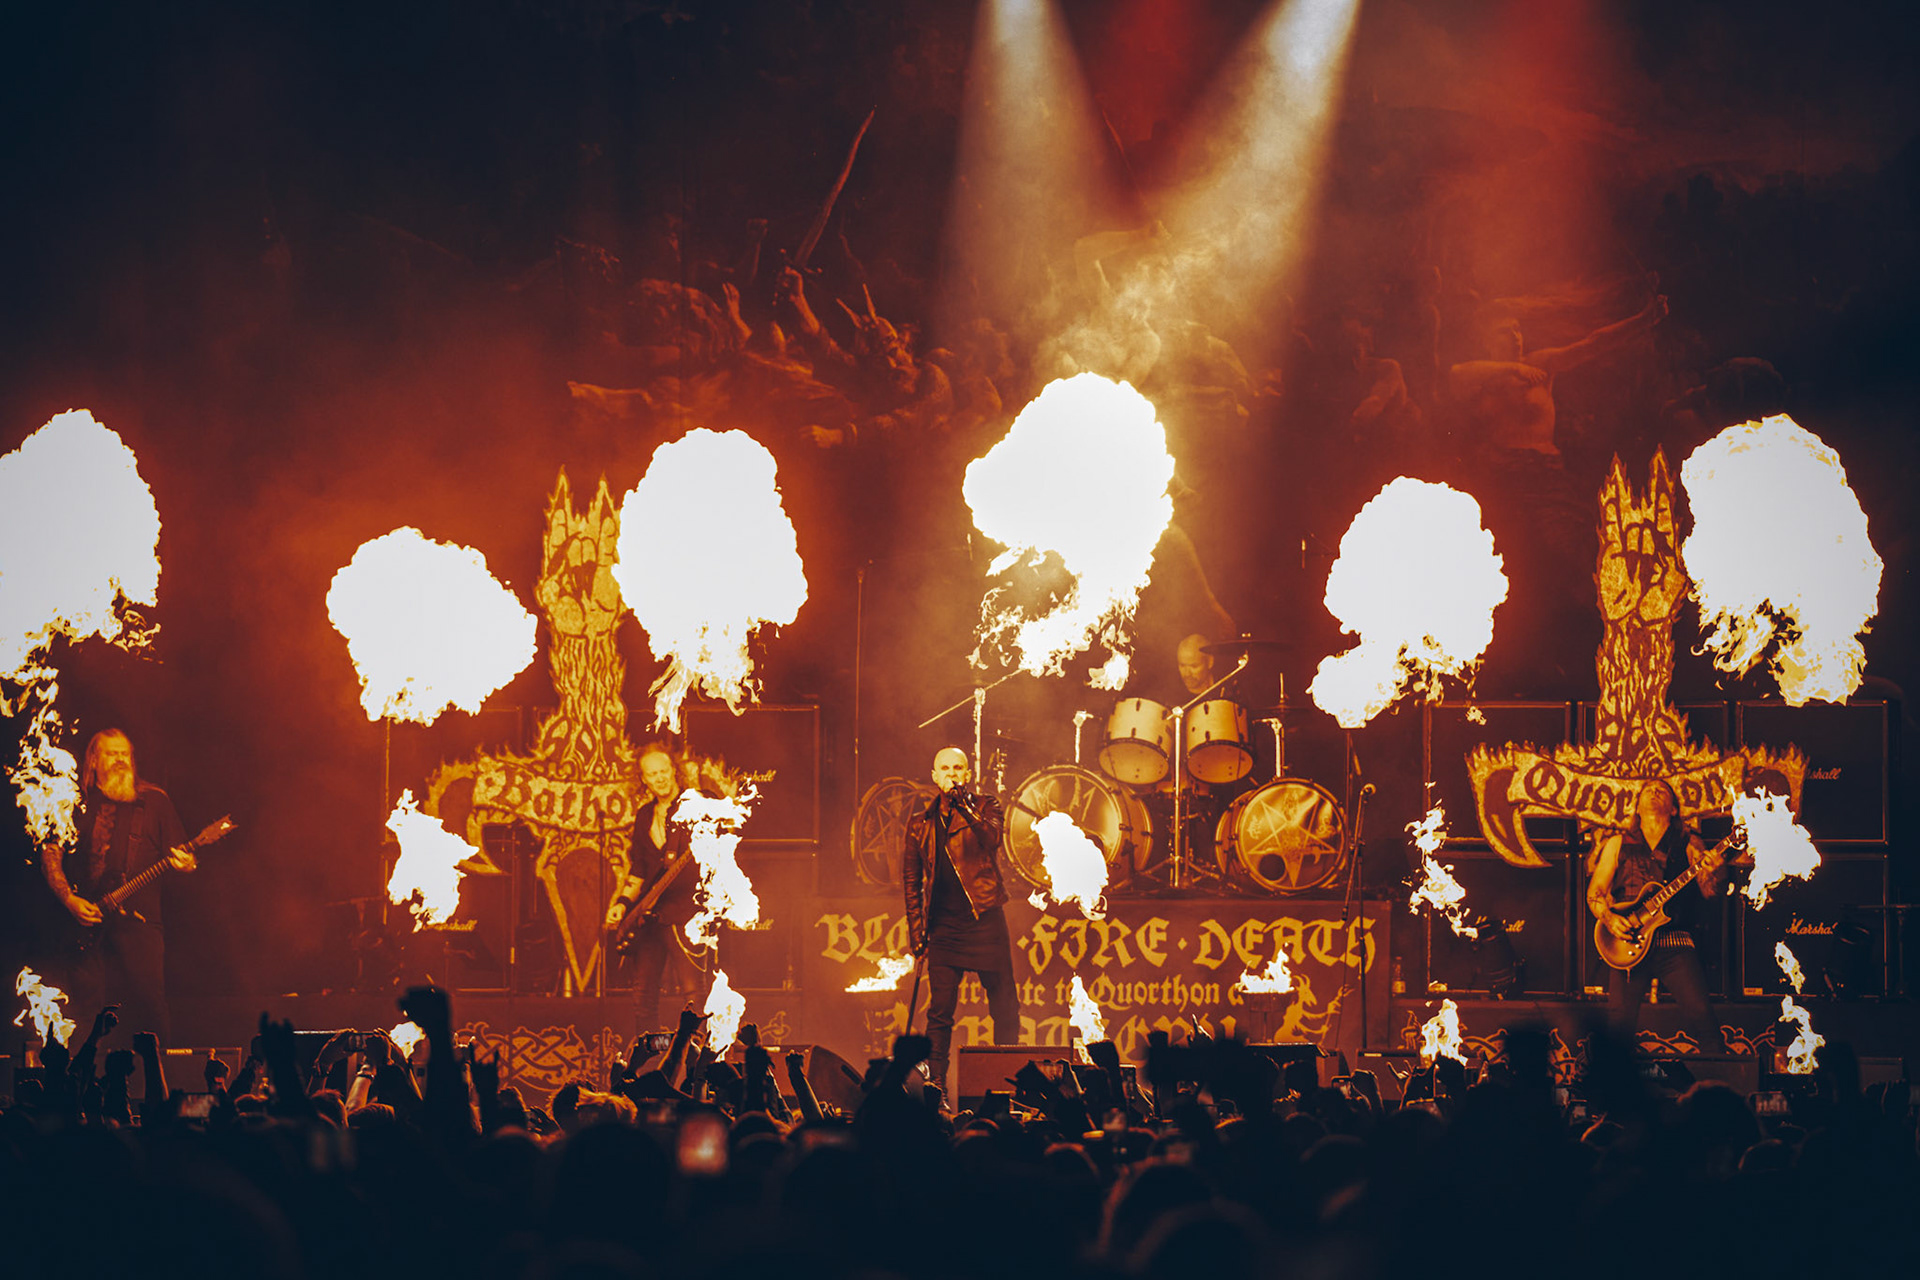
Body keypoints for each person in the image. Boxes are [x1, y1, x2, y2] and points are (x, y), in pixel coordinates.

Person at [42, 729, 198, 1043]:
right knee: (85, 1012)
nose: (120, 761)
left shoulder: (154, 801)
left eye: (125, 754)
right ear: (94, 760)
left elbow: (186, 856)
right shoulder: (75, 801)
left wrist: (187, 863)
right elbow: (50, 853)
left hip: (140, 927)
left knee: (149, 1006)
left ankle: (156, 1082)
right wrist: (69, 899)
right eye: (112, 754)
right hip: (84, 924)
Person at [903, 746, 1021, 1099]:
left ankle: (1007, 1081)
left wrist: (965, 807)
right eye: (945, 768)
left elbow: (991, 840)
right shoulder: (920, 824)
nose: (952, 774)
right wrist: (917, 934)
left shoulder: (986, 807)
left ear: (967, 774)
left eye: (959, 768)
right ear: (934, 776)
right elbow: (911, 882)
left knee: (1004, 1004)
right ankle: (936, 1088)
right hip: (944, 928)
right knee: (939, 1013)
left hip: (984, 918)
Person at [1587, 781, 1733, 1048]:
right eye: (1648, 790)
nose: (1654, 792)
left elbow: (1710, 892)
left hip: (1674, 943)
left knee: (1704, 1020)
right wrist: (1609, 919)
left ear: (1675, 809)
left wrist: (1719, 872)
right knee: (1618, 1028)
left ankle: (1719, 1084)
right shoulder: (1617, 843)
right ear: (1637, 807)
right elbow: (1595, 892)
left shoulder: (1690, 844)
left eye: (1662, 790)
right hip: (1627, 943)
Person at [604, 746, 704, 1038]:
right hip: (648, 917)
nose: (659, 778)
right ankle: (647, 1067)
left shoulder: (695, 805)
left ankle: (695, 1063)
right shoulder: (645, 814)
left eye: (663, 771)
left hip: (685, 912)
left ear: (674, 770)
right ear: (644, 780)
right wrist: (622, 904)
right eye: (651, 774)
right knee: (643, 997)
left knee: (693, 993)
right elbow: (638, 869)